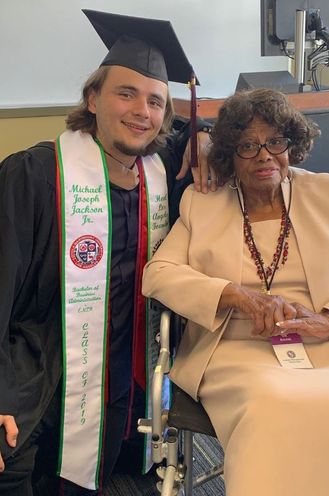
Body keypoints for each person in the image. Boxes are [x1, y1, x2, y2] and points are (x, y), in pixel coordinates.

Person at [0, 9, 213, 496]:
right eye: (126, 93)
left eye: (155, 100)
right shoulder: (34, 176)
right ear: (92, 98)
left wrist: (207, 134)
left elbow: (213, 142)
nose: (142, 110)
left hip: (137, 376)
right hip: (47, 365)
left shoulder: (164, 177)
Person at [142, 88, 329, 496]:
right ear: (228, 155)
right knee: (272, 404)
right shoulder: (202, 204)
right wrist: (236, 295)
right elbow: (158, 274)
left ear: (291, 145)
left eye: (275, 141)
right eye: (247, 146)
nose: (264, 155)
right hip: (238, 347)